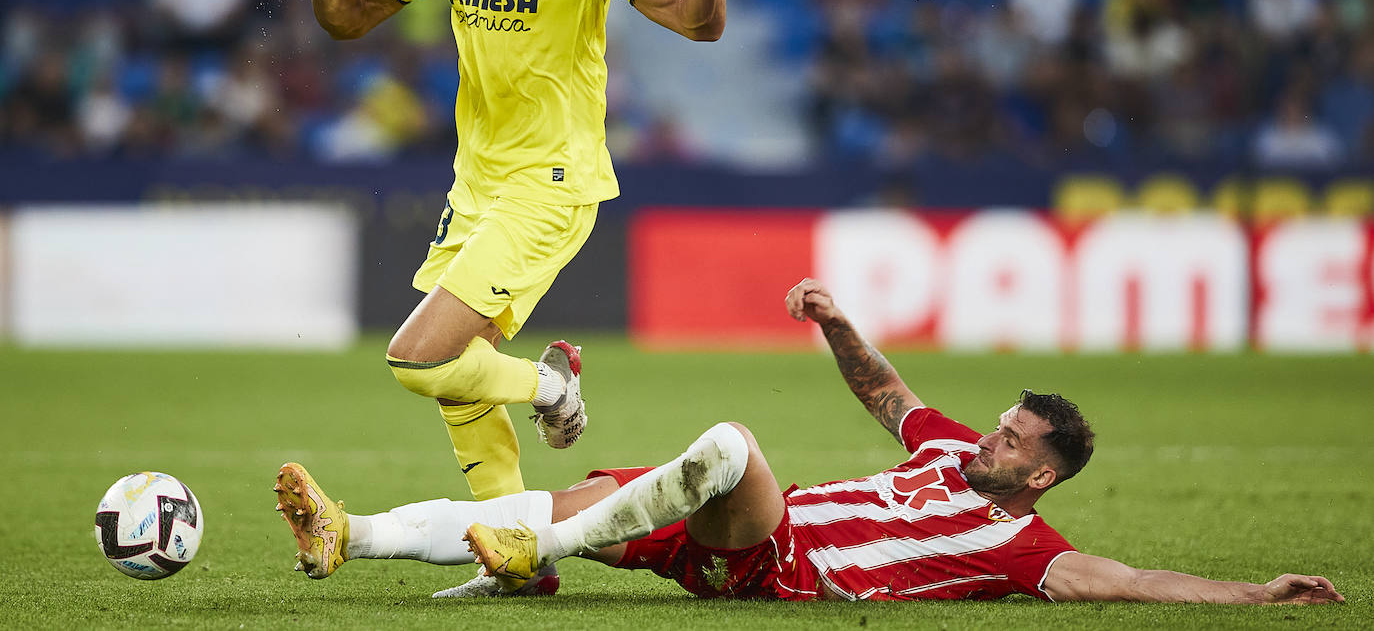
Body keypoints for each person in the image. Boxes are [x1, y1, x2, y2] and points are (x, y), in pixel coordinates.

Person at [285, 0, 748, 596]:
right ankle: (517, 564)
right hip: (477, 187)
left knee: (419, 359)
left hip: (553, 182)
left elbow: (694, 21)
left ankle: (550, 383)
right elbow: (353, 16)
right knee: (461, 387)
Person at [274, 278, 1344, 606]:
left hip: (782, 562)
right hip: (725, 539)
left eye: (1013, 436)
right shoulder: (947, 451)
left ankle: (537, 563)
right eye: (1001, 423)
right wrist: (838, 324)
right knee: (565, 504)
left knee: (733, 441)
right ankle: (349, 533)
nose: (991, 435)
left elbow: (1128, 578)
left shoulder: (1020, 547)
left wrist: (1253, 597)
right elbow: (886, 390)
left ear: (1041, 473)